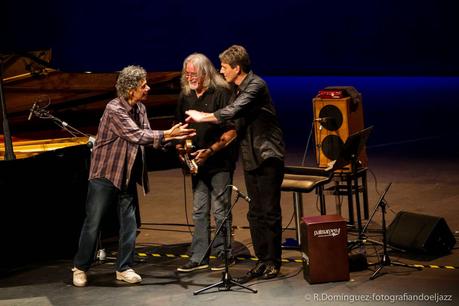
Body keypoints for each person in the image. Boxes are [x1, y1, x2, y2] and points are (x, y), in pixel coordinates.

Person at [72, 65, 195, 287]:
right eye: (143, 85)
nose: (147, 88)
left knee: (129, 224)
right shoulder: (114, 109)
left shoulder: (140, 109)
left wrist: (175, 142)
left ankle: (124, 267)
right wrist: (168, 133)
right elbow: (136, 135)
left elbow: (148, 138)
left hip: (127, 174)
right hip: (105, 174)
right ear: (131, 89)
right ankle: (80, 267)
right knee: (94, 222)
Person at [185, 45, 285, 282]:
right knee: (255, 213)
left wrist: (204, 116)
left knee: (269, 212)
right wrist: (207, 150)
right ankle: (262, 261)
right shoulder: (237, 90)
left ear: (237, 68)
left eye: (224, 67)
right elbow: (233, 127)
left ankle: (273, 262)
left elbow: (233, 111)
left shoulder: (255, 86)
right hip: (251, 157)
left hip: (268, 155)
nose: (221, 71)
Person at [175, 53, 237, 273]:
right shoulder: (185, 96)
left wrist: (209, 152)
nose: (190, 78)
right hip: (197, 164)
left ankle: (224, 254)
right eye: (187, 73)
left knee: (221, 210)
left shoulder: (221, 93)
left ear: (206, 73)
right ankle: (199, 256)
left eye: (194, 74)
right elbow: (179, 127)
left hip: (219, 161)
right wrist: (180, 145)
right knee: (199, 211)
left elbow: (232, 131)